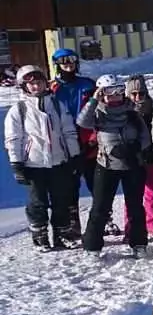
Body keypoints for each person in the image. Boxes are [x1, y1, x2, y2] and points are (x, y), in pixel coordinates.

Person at [5, 65, 80, 251]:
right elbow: (14, 138)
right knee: (37, 202)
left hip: (58, 161)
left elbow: (68, 132)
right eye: (30, 84)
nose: (36, 87)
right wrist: (17, 163)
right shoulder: (19, 110)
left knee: (61, 200)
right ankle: (40, 235)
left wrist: (74, 155)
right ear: (24, 87)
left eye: (39, 82)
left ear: (45, 84)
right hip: (34, 163)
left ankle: (62, 234)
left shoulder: (56, 105)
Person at [77, 74, 153, 258]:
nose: (115, 96)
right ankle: (92, 246)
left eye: (119, 91)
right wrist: (94, 99)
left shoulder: (132, 112)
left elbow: (145, 136)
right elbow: (82, 122)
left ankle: (139, 243)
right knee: (100, 206)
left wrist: (135, 148)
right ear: (102, 93)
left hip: (132, 164)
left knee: (135, 206)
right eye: (109, 92)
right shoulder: (98, 112)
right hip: (107, 165)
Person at [48, 48, 96, 239]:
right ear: (57, 64)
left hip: (89, 142)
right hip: (65, 145)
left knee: (97, 184)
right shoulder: (52, 88)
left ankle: (104, 219)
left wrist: (94, 138)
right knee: (69, 187)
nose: (68, 64)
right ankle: (72, 224)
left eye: (72, 60)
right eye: (63, 61)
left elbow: (99, 112)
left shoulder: (87, 84)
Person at [125, 74, 153, 240]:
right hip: (132, 159)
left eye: (141, 93)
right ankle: (130, 227)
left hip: (151, 157)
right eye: (133, 94)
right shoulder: (122, 112)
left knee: (152, 193)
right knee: (132, 195)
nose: (138, 98)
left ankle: (152, 224)